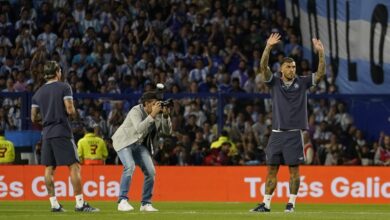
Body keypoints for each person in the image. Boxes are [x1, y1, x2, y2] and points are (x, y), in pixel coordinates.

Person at [250, 33, 325, 213]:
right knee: (271, 171)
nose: (292, 69)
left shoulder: (303, 82)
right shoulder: (274, 82)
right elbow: (262, 67)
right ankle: (266, 204)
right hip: (276, 134)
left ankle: (291, 203)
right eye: (289, 67)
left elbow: (320, 73)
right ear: (281, 70)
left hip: (293, 134)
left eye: (294, 66)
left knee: (294, 172)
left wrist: (321, 54)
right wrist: (268, 47)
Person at [31, 60, 99, 212]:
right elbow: (69, 109)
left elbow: (33, 117)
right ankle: (80, 204)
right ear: (57, 72)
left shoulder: (38, 93)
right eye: (60, 71)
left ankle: (54, 204)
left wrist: (47, 119)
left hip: (46, 134)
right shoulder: (64, 87)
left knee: (49, 169)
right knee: (74, 166)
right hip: (62, 131)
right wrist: (74, 116)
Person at [112, 90, 172, 212]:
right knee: (129, 166)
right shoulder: (136, 110)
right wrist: (152, 115)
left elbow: (167, 132)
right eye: (155, 103)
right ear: (147, 103)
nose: (157, 106)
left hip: (138, 144)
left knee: (151, 171)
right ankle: (122, 201)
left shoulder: (156, 114)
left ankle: (145, 204)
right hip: (124, 141)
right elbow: (139, 129)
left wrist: (165, 116)